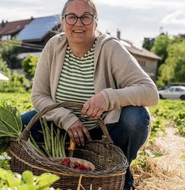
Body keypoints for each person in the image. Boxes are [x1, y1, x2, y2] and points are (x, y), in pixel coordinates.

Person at [20, 0, 159, 189]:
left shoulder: (110, 48)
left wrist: (107, 99)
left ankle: (120, 173)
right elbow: (39, 96)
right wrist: (66, 118)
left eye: (86, 17)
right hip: (63, 130)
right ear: (62, 22)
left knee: (136, 117)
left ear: (96, 22)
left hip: (106, 133)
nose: (78, 23)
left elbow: (150, 92)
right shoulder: (54, 47)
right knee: (21, 124)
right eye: (71, 17)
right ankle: (53, 171)